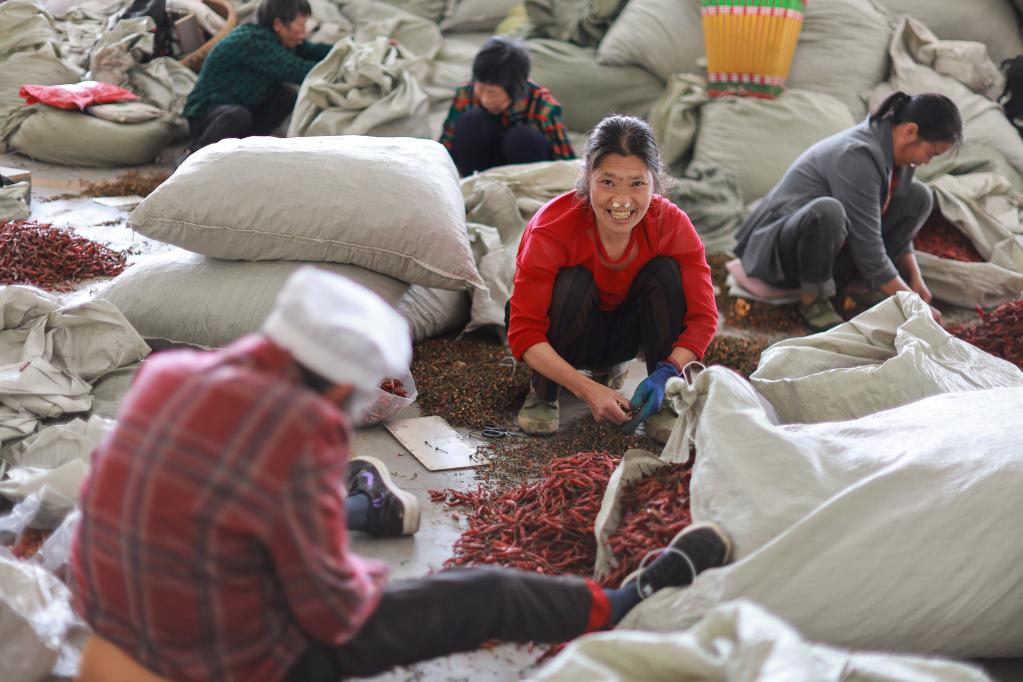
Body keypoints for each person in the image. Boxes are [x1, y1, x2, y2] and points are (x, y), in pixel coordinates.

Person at [69, 267, 733, 681]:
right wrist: (363, 575)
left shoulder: (169, 374)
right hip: (224, 662)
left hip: (108, 610)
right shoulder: (301, 437)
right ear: (339, 390)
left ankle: (360, 507)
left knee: (243, 510)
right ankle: (618, 603)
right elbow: (332, 615)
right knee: (481, 597)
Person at [506, 115, 719, 443]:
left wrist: (668, 372)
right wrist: (586, 390)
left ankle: (660, 399)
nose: (622, 200)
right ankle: (544, 392)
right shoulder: (553, 227)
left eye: (637, 183)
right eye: (608, 182)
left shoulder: (671, 224)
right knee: (573, 280)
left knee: (666, 272)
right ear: (587, 177)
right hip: (566, 339)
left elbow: (704, 318)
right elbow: (523, 332)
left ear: (654, 181)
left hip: (626, 341)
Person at [733, 91, 963, 331]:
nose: (927, 162)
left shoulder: (900, 157)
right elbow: (869, 247)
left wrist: (914, 278)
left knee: (920, 196)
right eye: (930, 154)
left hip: (831, 246)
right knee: (828, 211)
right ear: (910, 131)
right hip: (783, 249)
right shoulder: (859, 155)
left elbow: (879, 220)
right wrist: (914, 304)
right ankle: (813, 297)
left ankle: (858, 285)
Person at [177, 0, 331, 164]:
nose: (303, 33)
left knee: (285, 95)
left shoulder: (283, 39)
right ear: (279, 24)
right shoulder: (253, 41)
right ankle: (193, 156)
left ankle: (246, 151)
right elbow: (299, 71)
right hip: (208, 114)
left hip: (243, 108)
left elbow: (313, 51)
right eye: (300, 25)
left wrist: (349, 51)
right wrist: (338, 69)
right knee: (237, 116)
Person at [439, 36, 575, 177]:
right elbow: (445, 146)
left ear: (514, 90)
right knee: (472, 121)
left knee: (521, 137)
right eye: (480, 88)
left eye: (493, 92)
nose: (485, 99)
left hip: (523, 176)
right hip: (478, 172)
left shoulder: (543, 106)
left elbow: (565, 162)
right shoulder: (465, 94)